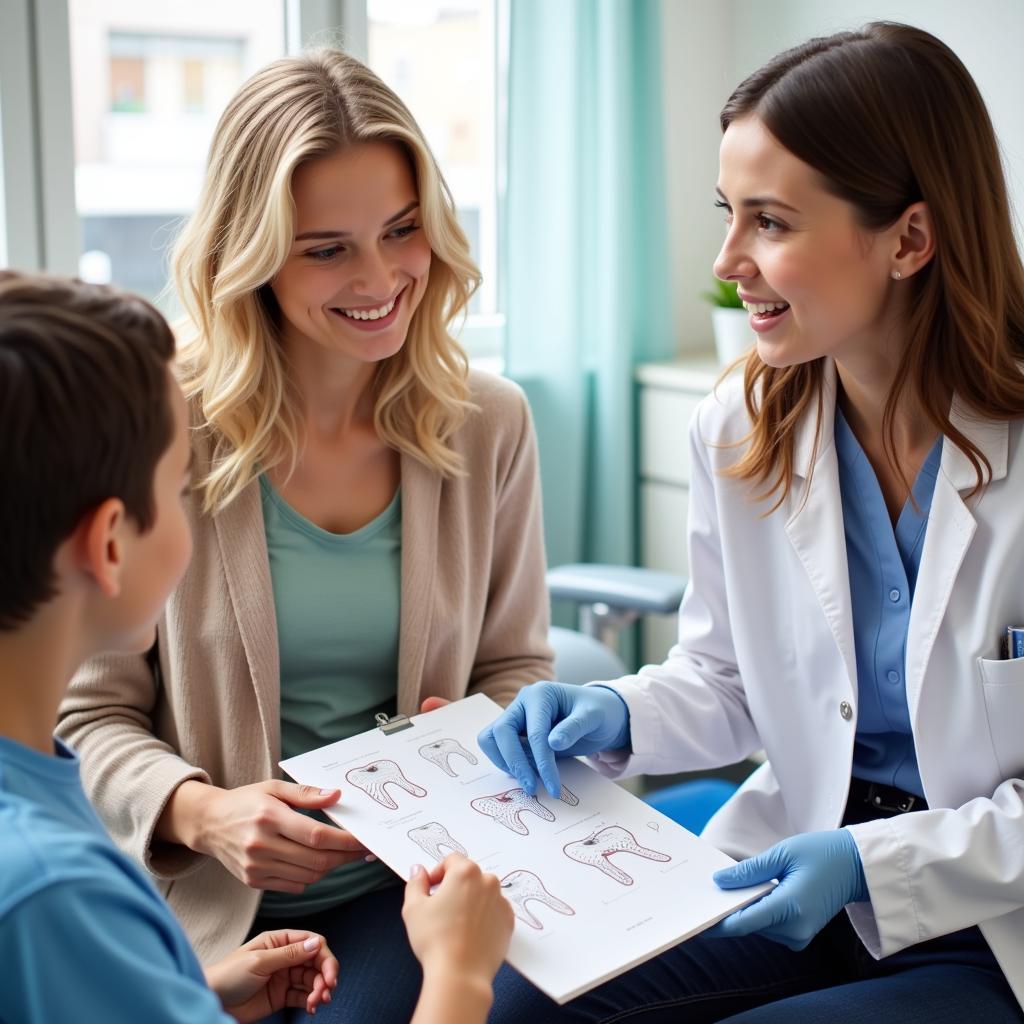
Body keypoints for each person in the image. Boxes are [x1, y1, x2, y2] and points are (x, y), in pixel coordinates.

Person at [479, 21, 1024, 1023]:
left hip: (994, 922)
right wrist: (618, 712)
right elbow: (727, 676)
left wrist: (870, 862)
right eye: (727, 213)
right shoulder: (741, 421)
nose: (728, 259)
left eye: (769, 223)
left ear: (907, 238)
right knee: (521, 1003)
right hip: (793, 864)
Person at [55, 48, 549, 1023]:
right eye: (327, 247)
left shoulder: (488, 422)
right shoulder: (161, 430)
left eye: (402, 230)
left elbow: (519, 664)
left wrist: (468, 737)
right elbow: (82, 717)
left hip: (413, 896)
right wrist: (200, 811)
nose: (380, 277)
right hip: (211, 912)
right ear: (252, 254)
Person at [0, 271, 514, 1024]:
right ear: (110, 543)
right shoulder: (55, 891)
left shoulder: (42, 844)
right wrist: (459, 977)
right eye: (180, 484)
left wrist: (189, 997)